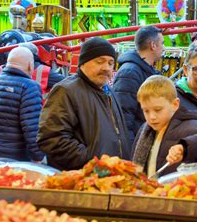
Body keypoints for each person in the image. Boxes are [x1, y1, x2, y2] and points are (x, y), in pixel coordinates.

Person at [37, 37, 131, 170]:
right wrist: (93, 163)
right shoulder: (66, 91)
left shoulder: (109, 91)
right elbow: (52, 139)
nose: (106, 68)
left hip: (111, 177)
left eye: (110, 63)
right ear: (83, 63)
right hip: (84, 180)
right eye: (100, 62)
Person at [132, 75, 197, 177]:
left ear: (175, 104)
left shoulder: (193, 126)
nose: (152, 117)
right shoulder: (144, 131)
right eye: (146, 111)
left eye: (158, 110)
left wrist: (185, 147)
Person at [0, 47, 44, 161]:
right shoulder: (29, 87)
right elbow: (32, 129)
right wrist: (38, 157)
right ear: (30, 65)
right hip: (12, 160)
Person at [113, 26, 164, 144]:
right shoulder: (130, 72)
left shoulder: (145, 70)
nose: (163, 47)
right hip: (138, 143)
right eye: (162, 43)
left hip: (144, 140)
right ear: (153, 45)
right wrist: (131, 152)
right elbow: (123, 118)